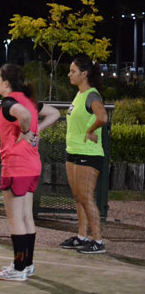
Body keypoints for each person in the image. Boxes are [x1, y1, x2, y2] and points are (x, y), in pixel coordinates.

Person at [0, 64, 59, 281]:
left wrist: (28, 131)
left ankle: (19, 267)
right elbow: (54, 113)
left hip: (17, 166)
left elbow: (23, 116)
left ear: (7, 83)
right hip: (32, 165)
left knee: (15, 219)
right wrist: (35, 132)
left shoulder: (10, 102)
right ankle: (27, 264)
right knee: (26, 217)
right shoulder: (29, 101)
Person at [59, 54, 109, 254]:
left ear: (84, 74)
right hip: (73, 151)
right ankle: (81, 236)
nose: (69, 74)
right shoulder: (80, 94)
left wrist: (90, 131)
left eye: (73, 71)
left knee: (86, 197)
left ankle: (98, 241)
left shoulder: (92, 95)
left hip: (88, 154)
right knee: (78, 196)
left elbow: (103, 117)